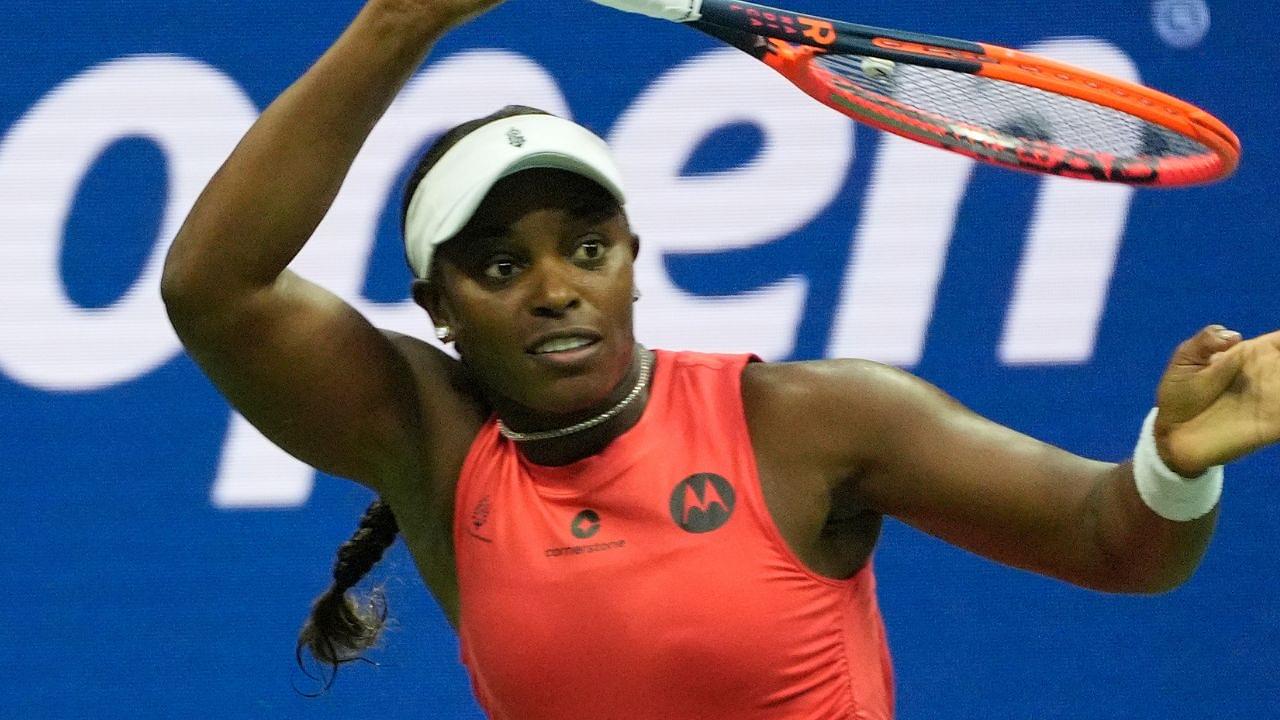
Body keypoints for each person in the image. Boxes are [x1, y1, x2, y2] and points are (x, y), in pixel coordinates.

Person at [160, 0, 1279, 718]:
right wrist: (393, 27)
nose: (555, 287)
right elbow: (213, 289)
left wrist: (1171, 460)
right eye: (499, 267)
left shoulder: (808, 422)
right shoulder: (436, 448)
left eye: (585, 249)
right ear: (437, 309)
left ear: (633, 262)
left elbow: (1112, 542)